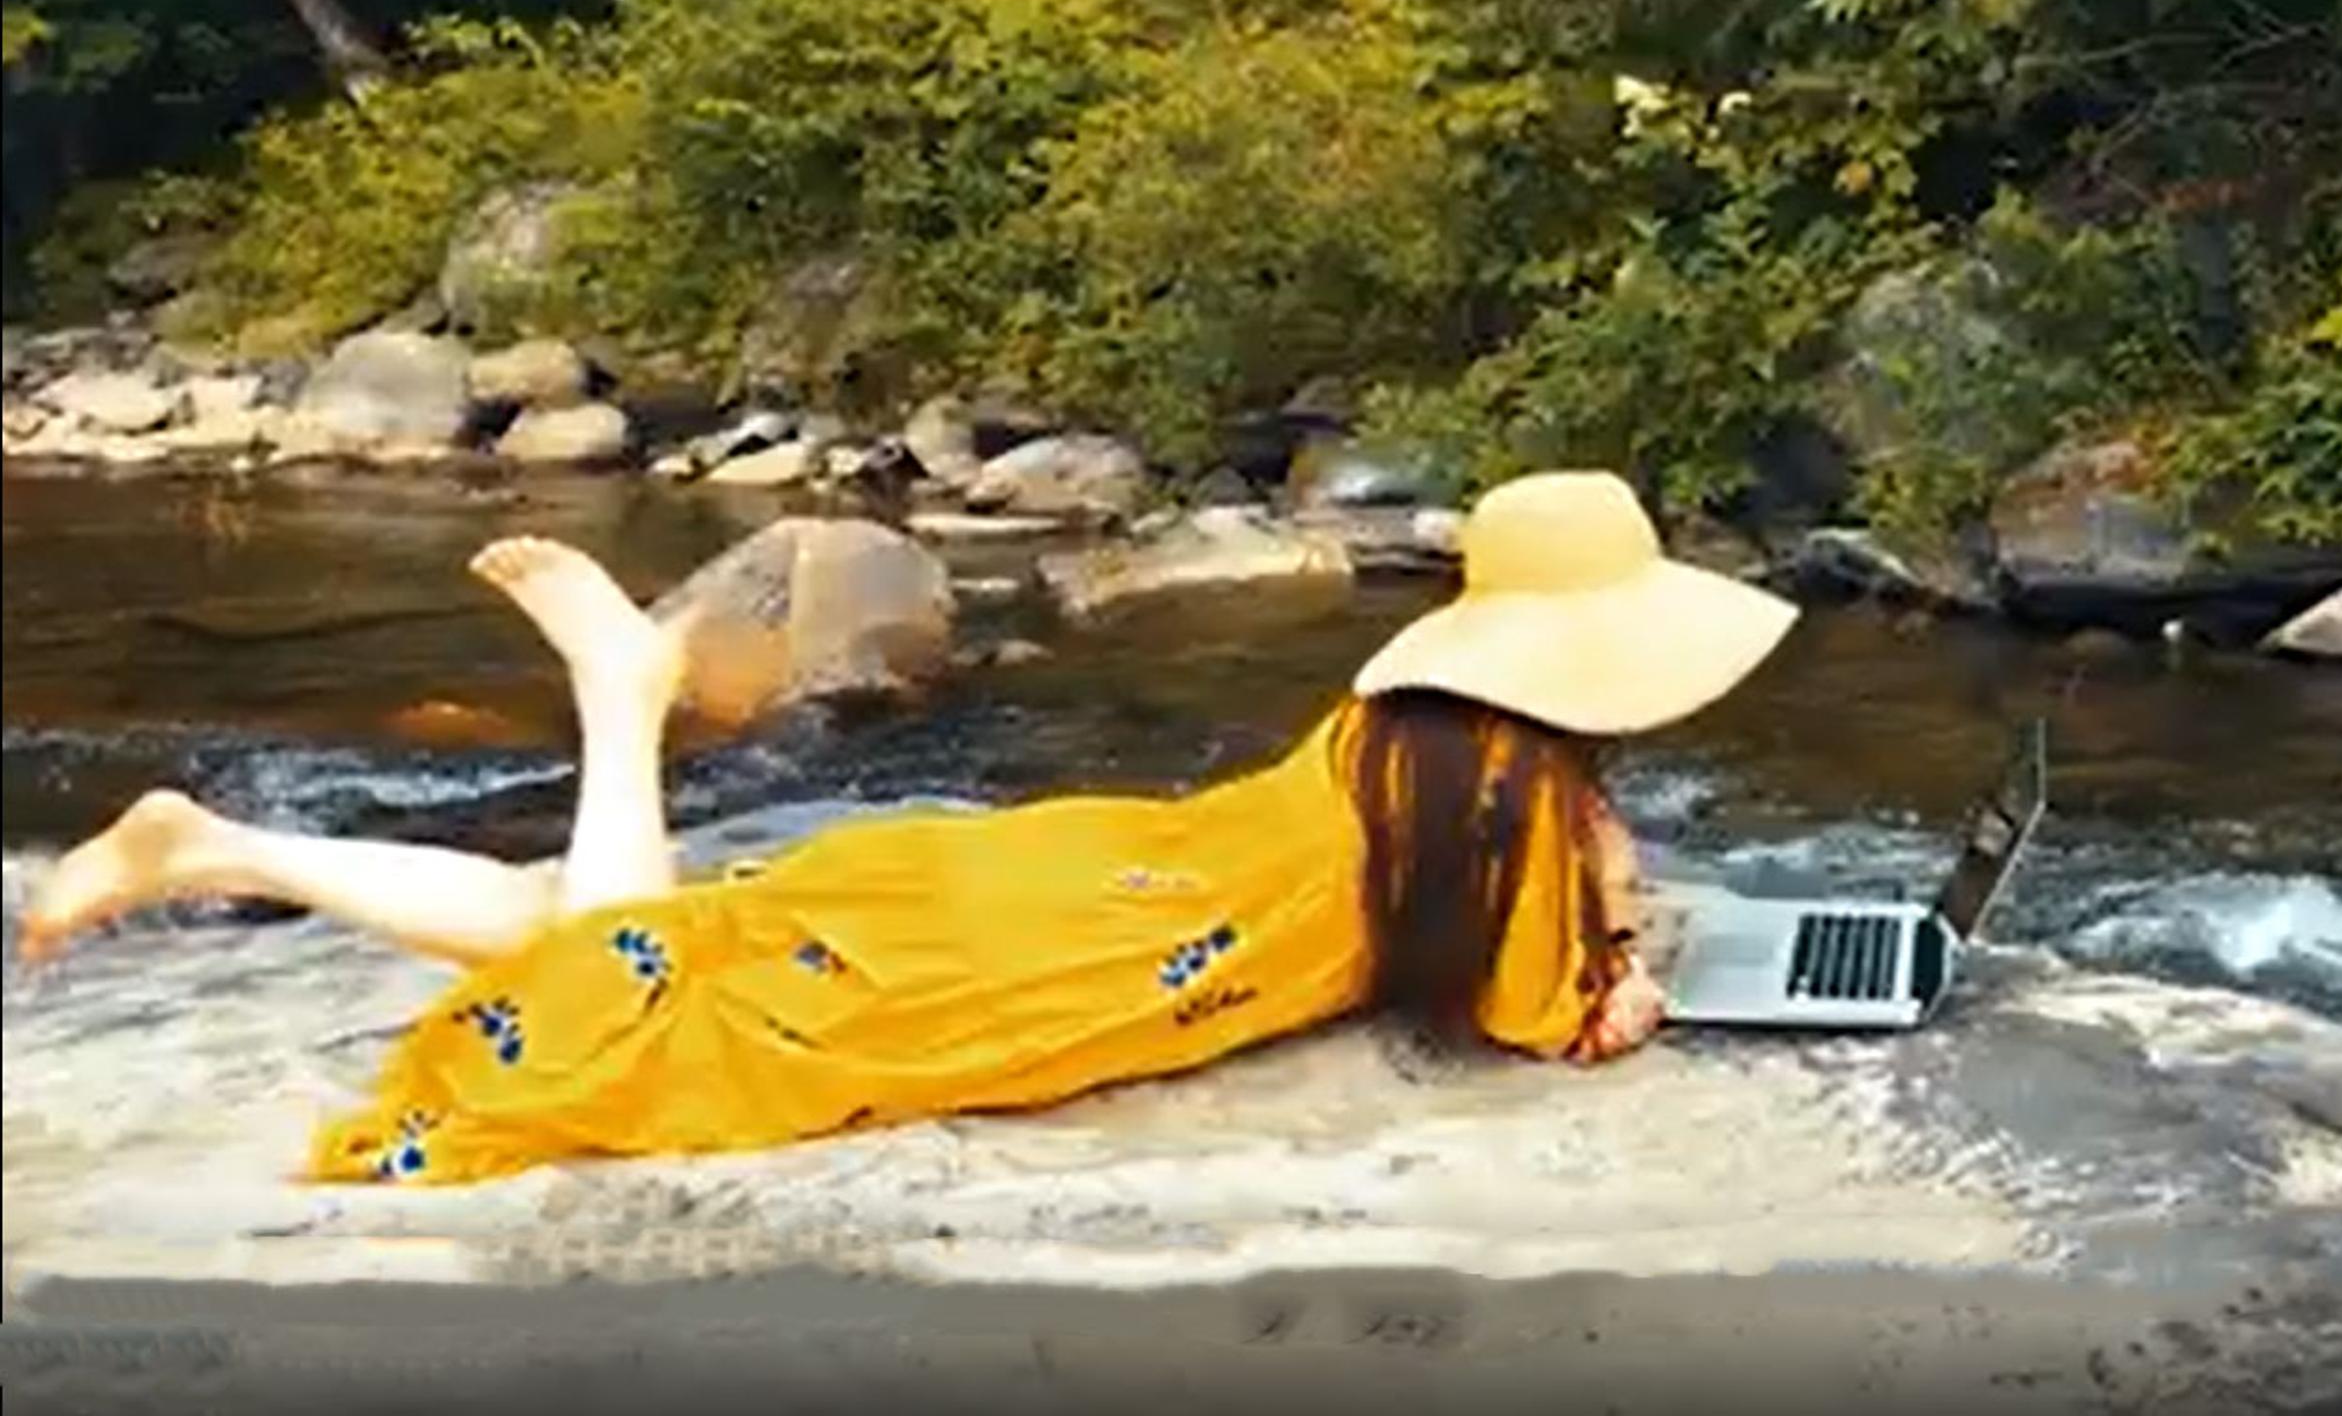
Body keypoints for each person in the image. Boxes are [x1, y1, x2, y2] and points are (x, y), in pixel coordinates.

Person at [10, 470, 1799, 1185]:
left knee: (618, 926)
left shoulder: (1406, 727)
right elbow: (1552, 1022)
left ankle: (224, 847)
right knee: (627, 991)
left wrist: (1592, 863)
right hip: (1046, 967)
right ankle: (621, 708)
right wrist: (1619, 964)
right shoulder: (1511, 807)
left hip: (1063, 875)